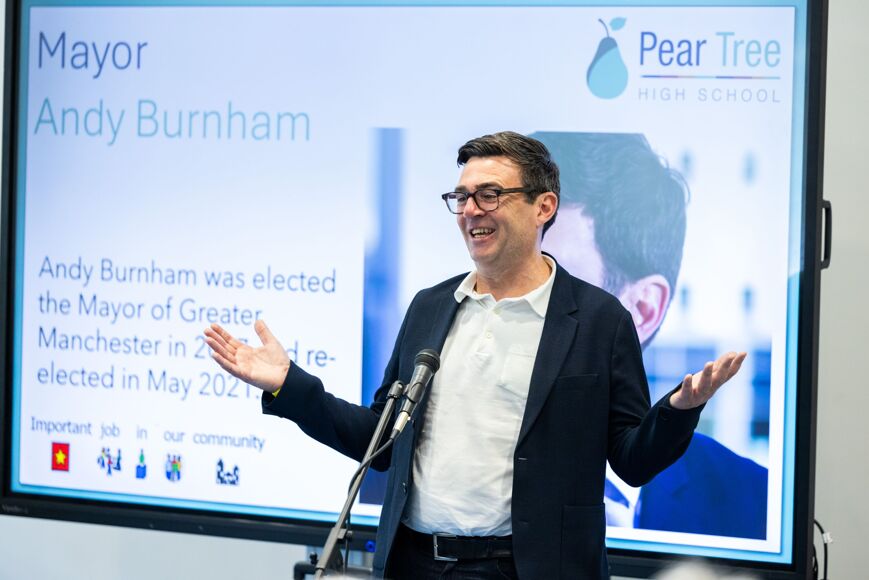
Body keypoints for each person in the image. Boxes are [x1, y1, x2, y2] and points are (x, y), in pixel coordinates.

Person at [204, 132, 745, 579]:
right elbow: (381, 441)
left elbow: (631, 460)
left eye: (489, 195)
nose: (469, 211)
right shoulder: (431, 307)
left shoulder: (599, 320)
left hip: (525, 569)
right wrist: (289, 384)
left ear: (543, 207)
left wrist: (679, 410)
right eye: (460, 197)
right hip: (416, 563)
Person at [537, 131, 768, 539]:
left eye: (551, 279)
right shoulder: (440, 459)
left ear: (642, 309)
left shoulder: (751, 504)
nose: (515, 300)